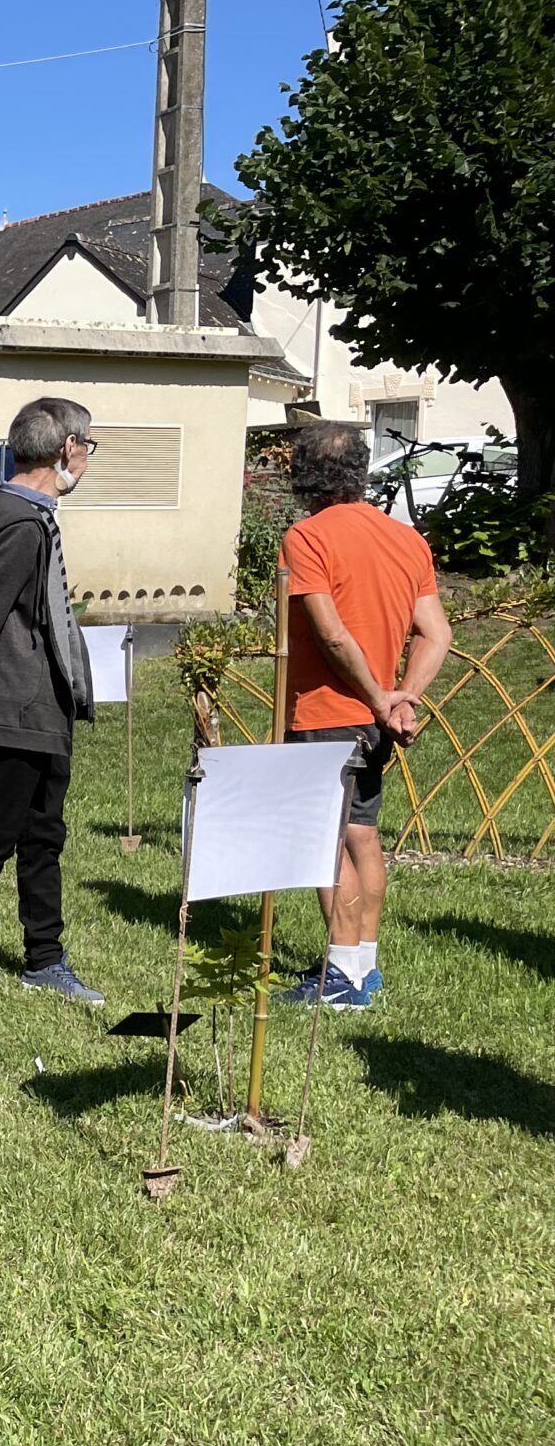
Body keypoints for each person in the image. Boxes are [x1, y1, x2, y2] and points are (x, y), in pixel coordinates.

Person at [273, 419, 451, 1011]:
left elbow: (331, 634)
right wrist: (404, 698)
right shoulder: (407, 539)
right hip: (376, 720)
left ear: (305, 477)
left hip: (326, 711)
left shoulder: (306, 538)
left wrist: (378, 696)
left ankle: (341, 976)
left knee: (324, 838)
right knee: (362, 835)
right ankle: (362, 966)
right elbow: (437, 633)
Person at [0, 397, 105, 1004]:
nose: (87, 460)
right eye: (88, 447)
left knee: (44, 838)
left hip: (46, 706)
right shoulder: (17, 527)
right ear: (67, 448)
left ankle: (45, 959)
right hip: (14, 706)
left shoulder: (30, 517)